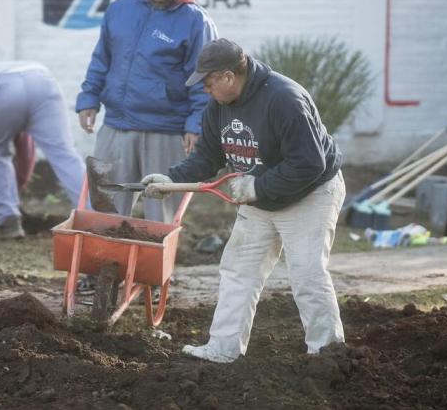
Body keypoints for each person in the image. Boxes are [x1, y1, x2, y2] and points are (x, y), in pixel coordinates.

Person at [141, 39, 345, 363]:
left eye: (208, 82)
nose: (205, 89)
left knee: (307, 273)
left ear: (228, 76)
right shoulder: (218, 106)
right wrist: (171, 181)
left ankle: (328, 354)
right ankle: (223, 348)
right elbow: (207, 155)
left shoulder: (284, 99)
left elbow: (310, 163)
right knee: (238, 270)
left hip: (310, 194)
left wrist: (258, 187)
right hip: (261, 195)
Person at [76, 0, 217, 223]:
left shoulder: (196, 21)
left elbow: (205, 79)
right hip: (117, 126)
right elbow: (101, 58)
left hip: (166, 131)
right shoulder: (120, 9)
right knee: (105, 207)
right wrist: (89, 97)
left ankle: (155, 266)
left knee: (160, 215)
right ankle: (105, 265)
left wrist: (196, 124)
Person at [0, 61, 85, 239]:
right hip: (43, 80)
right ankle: (95, 219)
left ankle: (8, 224)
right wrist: (17, 188)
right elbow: (27, 154)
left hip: (2, 87)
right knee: (64, 153)